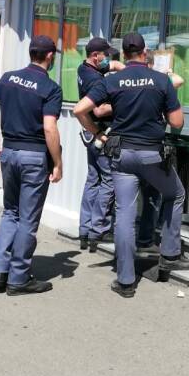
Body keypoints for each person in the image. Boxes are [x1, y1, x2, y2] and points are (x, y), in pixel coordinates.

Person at [74, 32, 189, 298]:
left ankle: (126, 281)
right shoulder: (161, 81)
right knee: (175, 194)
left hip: (121, 155)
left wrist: (96, 133)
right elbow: (177, 123)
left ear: (124, 54)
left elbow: (79, 109)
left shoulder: (113, 80)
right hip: (152, 155)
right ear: (145, 51)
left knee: (125, 215)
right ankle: (170, 254)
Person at [0, 34, 63, 296]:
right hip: (33, 157)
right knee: (27, 218)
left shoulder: (9, 78)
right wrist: (58, 162)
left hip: (9, 153)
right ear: (49, 56)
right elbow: (49, 128)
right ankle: (19, 278)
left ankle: (0, 272)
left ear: (31, 53)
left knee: (10, 213)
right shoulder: (50, 88)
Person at [76, 37, 125, 252]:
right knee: (108, 182)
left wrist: (117, 67)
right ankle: (100, 229)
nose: (109, 58)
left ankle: (85, 230)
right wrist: (124, 100)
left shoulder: (83, 69)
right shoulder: (96, 80)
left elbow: (108, 68)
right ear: (96, 56)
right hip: (101, 135)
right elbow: (98, 110)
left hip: (90, 135)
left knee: (92, 180)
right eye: (106, 55)